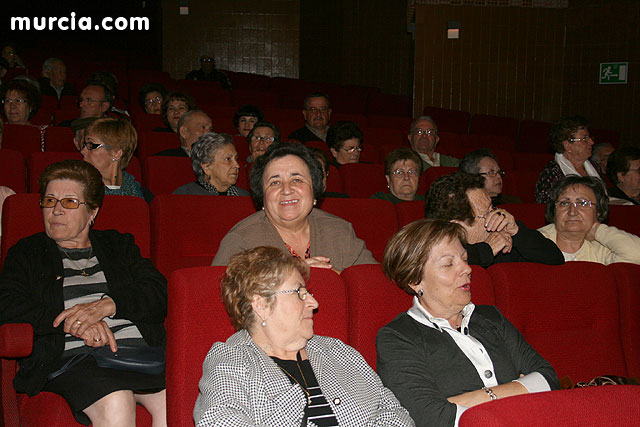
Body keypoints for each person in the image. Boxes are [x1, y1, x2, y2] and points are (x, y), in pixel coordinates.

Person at [0, 159, 167, 426]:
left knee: (176, 402)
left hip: (139, 357)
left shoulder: (118, 245)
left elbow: (158, 292)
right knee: (117, 400)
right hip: (74, 359)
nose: (55, 211)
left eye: (69, 202)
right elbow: (8, 303)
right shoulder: (27, 252)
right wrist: (71, 322)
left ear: (92, 212)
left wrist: (108, 305)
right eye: (49, 201)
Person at [195, 246, 414, 426]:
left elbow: (392, 412)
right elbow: (219, 420)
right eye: (299, 293)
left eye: (308, 292)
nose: (314, 303)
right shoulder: (230, 361)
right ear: (261, 304)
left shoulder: (337, 352)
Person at [377, 219, 559, 427]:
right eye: (448, 263)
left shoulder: (490, 317)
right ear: (415, 280)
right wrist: (518, 389)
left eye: (464, 258)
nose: (467, 269)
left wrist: (472, 400)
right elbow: (429, 418)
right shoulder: (398, 337)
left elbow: (548, 379)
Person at [212, 142, 377, 272]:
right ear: (262, 195)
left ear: (314, 189)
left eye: (297, 180)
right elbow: (219, 300)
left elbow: (373, 284)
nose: (286, 190)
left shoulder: (340, 231)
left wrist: (336, 278)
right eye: (275, 182)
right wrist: (290, 275)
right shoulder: (241, 240)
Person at [426, 172, 564, 267]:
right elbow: (445, 260)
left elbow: (556, 259)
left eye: (493, 208)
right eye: (487, 213)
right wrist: (487, 250)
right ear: (456, 226)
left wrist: (517, 232)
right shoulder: (428, 252)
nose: (497, 216)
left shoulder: (505, 244)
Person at [538, 175, 640, 264]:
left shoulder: (604, 250)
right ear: (554, 210)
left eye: (583, 203)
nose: (572, 211)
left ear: (598, 210)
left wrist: (599, 230)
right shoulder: (536, 242)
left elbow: (636, 254)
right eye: (564, 203)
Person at [535, 116, 603, 204]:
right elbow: (547, 206)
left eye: (589, 137)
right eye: (584, 138)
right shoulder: (552, 172)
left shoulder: (596, 167)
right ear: (567, 145)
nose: (591, 142)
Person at [81, 118, 152, 202]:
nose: (83, 151)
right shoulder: (79, 191)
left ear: (116, 153)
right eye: (85, 144)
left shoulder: (140, 196)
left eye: (91, 145)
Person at [173, 132, 249, 196]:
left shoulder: (244, 196)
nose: (237, 165)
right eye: (227, 159)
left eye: (235, 159)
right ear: (207, 167)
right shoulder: (185, 195)